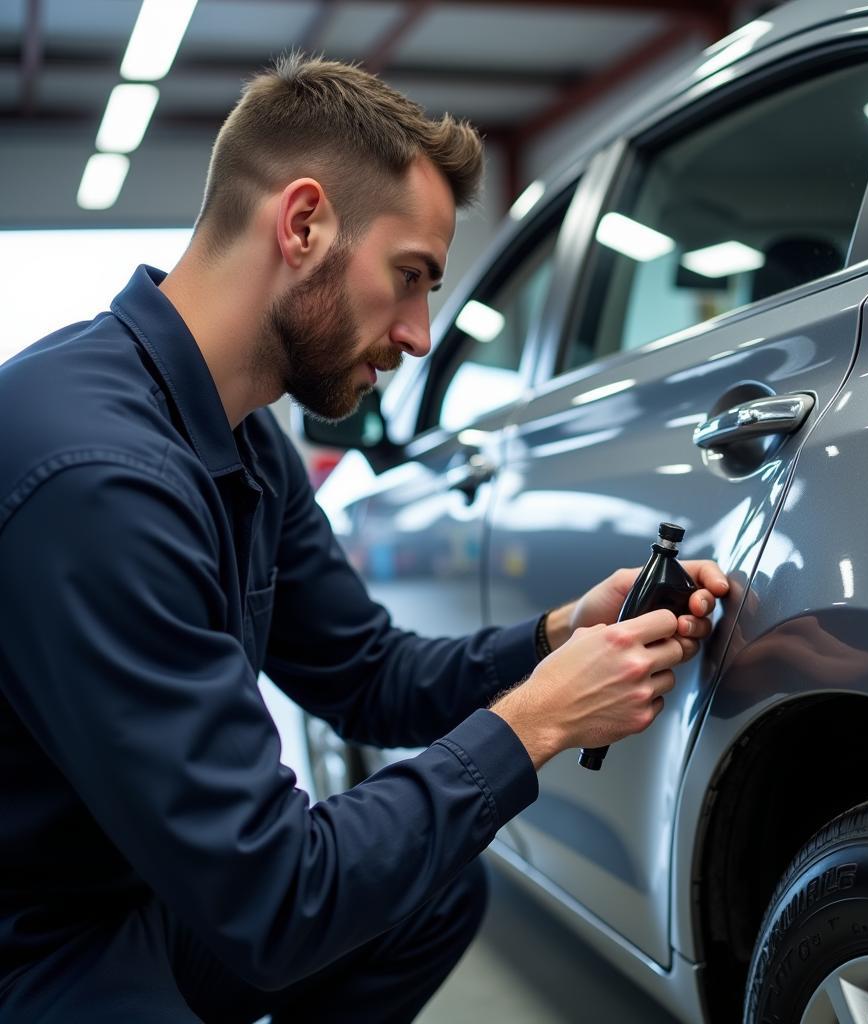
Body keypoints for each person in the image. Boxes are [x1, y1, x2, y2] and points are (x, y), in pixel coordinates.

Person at [0, 55, 729, 1023]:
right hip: (35, 935)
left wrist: (553, 638)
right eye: (411, 277)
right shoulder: (96, 478)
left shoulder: (246, 437)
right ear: (302, 225)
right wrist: (537, 721)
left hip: (140, 888)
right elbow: (275, 896)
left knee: (432, 890)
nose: (423, 333)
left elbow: (366, 673)